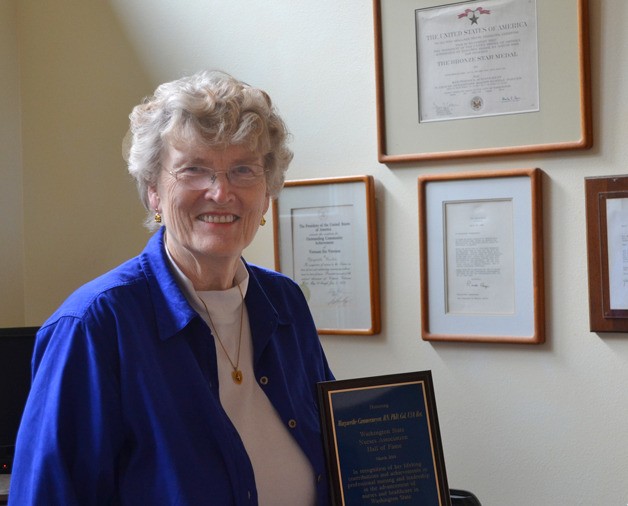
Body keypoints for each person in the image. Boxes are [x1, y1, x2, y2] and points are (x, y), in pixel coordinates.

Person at [10, 70, 334, 505]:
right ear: (154, 193)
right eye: (194, 170)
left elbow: (335, 455)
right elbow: (48, 495)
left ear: (267, 193)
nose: (221, 193)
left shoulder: (285, 302)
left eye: (243, 170)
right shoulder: (94, 325)